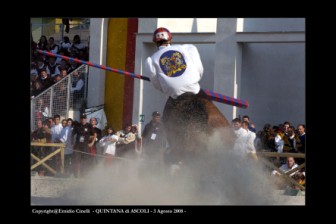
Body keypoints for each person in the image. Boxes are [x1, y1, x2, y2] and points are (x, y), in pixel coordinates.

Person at [144, 27, 235, 167]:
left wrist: (169, 87)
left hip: (176, 96)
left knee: (167, 120)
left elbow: (157, 85)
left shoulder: (151, 60)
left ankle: (172, 147)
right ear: (170, 39)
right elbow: (199, 70)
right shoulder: (187, 48)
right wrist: (191, 82)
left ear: (155, 42)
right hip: (195, 89)